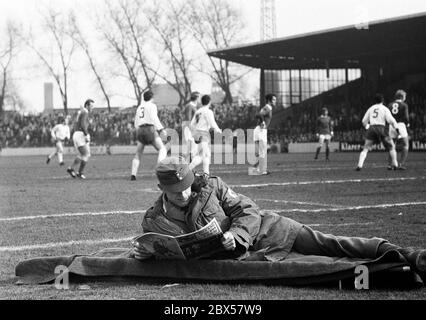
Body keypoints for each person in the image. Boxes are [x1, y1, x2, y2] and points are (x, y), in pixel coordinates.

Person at [132, 157, 425, 280]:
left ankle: (407, 255)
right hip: (253, 260)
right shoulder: (154, 221)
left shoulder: (213, 186)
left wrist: (237, 235)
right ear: (161, 189)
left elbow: (246, 210)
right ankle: (396, 269)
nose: (182, 195)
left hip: (271, 230)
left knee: (332, 245)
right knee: (327, 267)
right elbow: (160, 250)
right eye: (175, 192)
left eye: (185, 188)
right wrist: (144, 254)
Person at [356, 94, 399, 171]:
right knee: (391, 147)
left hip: (372, 128)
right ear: (382, 101)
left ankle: (359, 165)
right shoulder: (385, 109)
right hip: (382, 128)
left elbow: (363, 121)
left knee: (365, 148)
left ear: (374, 101)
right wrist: (396, 128)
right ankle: (395, 164)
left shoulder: (371, 108)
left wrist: (368, 127)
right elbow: (391, 120)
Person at [131, 90, 167, 181]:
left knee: (138, 153)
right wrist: (161, 129)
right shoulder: (152, 106)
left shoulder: (139, 107)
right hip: (149, 129)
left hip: (140, 130)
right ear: (152, 97)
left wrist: (138, 130)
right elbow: (154, 118)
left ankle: (133, 174)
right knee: (162, 149)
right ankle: (159, 171)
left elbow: (136, 121)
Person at [189, 95, 222, 175]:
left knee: (203, 155)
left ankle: (205, 173)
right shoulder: (208, 111)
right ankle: (189, 170)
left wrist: (194, 133)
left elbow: (192, 124)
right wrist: (218, 130)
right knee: (204, 155)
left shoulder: (198, 111)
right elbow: (212, 122)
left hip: (197, 133)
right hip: (204, 134)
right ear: (209, 102)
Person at [67, 99, 94, 179]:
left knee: (82, 154)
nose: (92, 108)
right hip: (80, 134)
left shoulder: (82, 112)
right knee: (86, 154)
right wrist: (86, 134)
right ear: (87, 105)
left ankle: (71, 169)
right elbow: (83, 124)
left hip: (77, 134)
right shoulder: (85, 112)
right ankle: (79, 172)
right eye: (91, 106)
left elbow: (80, 122)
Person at [251, 93, 276, 175]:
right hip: (261, 130)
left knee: (261, 151)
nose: (275, 101)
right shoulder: (268, 107)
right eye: (273, 99)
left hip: (258, 130)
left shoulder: (267, 107)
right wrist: (263, 122)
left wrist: (262, 122)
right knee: (263, 151)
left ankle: (256, 169)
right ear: (269, 100)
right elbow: (258, 114)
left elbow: (258, 114)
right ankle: (262, 170)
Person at [387, 90, 410, 170]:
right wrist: (408, 124)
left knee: (391, 146)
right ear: (402, 97)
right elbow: (406, 117)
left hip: (392, 126)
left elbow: (388, 116)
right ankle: (401, 164)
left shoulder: (389, 105)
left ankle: (390, 164)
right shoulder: (404, 105)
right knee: (405, 145)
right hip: (400, 125)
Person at [183, 92, 200, 163]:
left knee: (192, 149)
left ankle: (186, 166)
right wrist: (193, 131)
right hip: (189, 129)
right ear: (196, 98)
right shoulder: (189, 106)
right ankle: (185, 166)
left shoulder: (193, 106)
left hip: (192, 129)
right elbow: (188, 120)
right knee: (192, 148)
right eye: (199, 97)